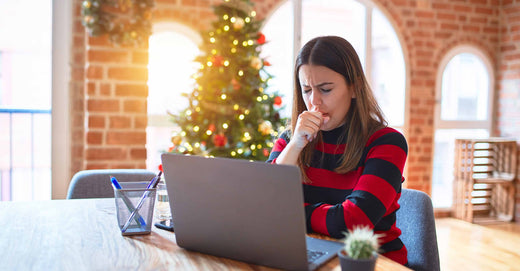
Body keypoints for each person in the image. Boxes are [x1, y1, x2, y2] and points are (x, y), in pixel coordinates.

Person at [267, 36, 408, 265]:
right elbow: (264, 201)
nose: (314, 102)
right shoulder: (290, 140)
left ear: (354, 88)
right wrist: (295, 145)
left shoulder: (387, 142)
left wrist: (289, 213)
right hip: (307, 253)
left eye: (325, 89)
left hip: (372, 262)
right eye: (306, 90)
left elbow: (353, 221)